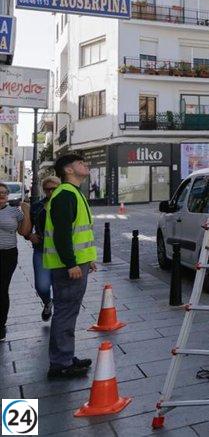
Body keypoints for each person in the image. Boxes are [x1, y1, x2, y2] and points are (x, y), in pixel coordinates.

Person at [45, 154, 97, 378]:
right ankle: (61, 363)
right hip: (68, 267)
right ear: (68, 170)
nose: (86, 165)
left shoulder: (73, 193)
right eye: (80, 163)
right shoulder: (65, 194)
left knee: (68, 312)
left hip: (76, 263)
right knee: (65, 313)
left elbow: (78, 232)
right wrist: (71, 263)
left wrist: (87, 259)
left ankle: (65, 356)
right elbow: (62, 235)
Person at [0, 183, 31, 341]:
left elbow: (24, 232)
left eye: (5, 193)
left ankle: (1, 325)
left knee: (2, 288)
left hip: (8, 255)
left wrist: (25, 211)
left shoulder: (13, 212)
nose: (2, 195)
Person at [28, 176, 60, 322]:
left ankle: (60, 319)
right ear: (44, 190)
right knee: (42, 286)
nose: (51, 192)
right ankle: (48, 302)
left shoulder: (66, 204)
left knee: (61, 289)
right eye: (48, 189)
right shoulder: (37, 206)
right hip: (41, 250)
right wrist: (29, 235)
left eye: (55, 188)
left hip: (62, 252)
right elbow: (26, 228)